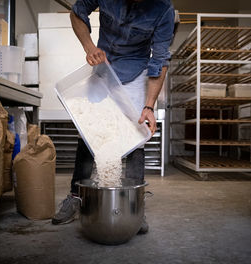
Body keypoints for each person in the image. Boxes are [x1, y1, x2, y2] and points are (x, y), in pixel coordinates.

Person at [52, 0, 175, 234]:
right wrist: (90, 48)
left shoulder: (163, 9)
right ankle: (76, 197)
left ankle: (135, 206)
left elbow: (160, 61)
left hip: (136, 71)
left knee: (136, 137)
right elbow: (77, 13)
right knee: (89, 133)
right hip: (103, 67)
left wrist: (149, 106)